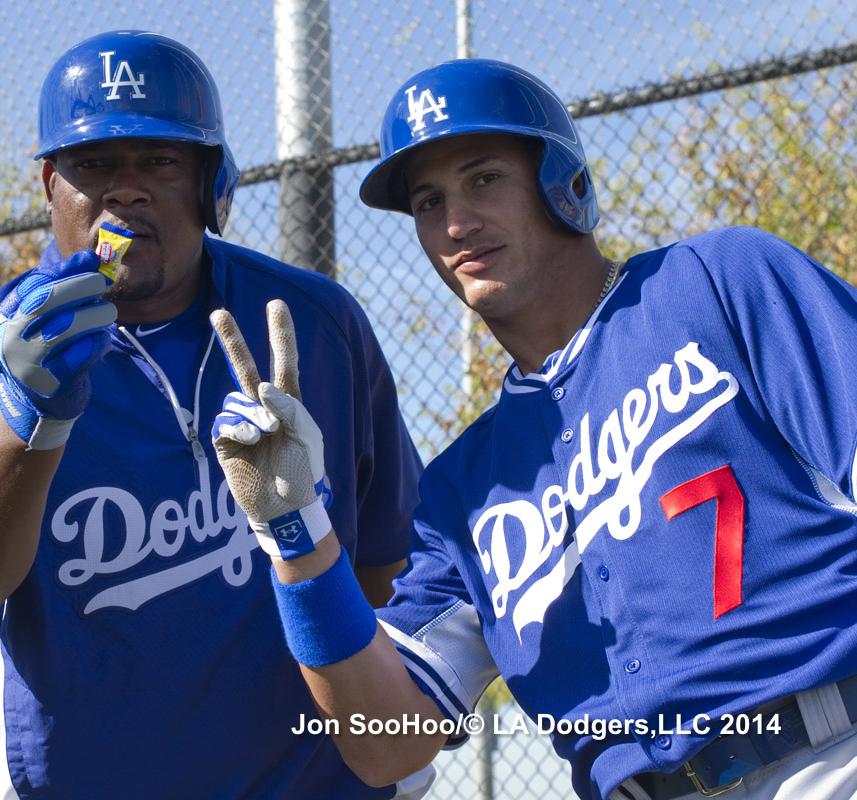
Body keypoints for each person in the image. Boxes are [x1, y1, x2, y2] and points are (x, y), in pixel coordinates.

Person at [208, 58, 857, 800]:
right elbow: (386, 745)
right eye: (428, 202)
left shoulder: (717, 283)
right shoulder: (464, 490)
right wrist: (296, 531)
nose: (455, 224)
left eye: (484, 179)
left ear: (563, 182)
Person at [0, 30, 429, 800]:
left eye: (160, 162)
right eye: (93, 164)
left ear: (210, 184)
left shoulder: (311, 321)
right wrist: (26, 419)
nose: (124, 190)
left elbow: (387, 566)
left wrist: (383, 740)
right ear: (49, 186)